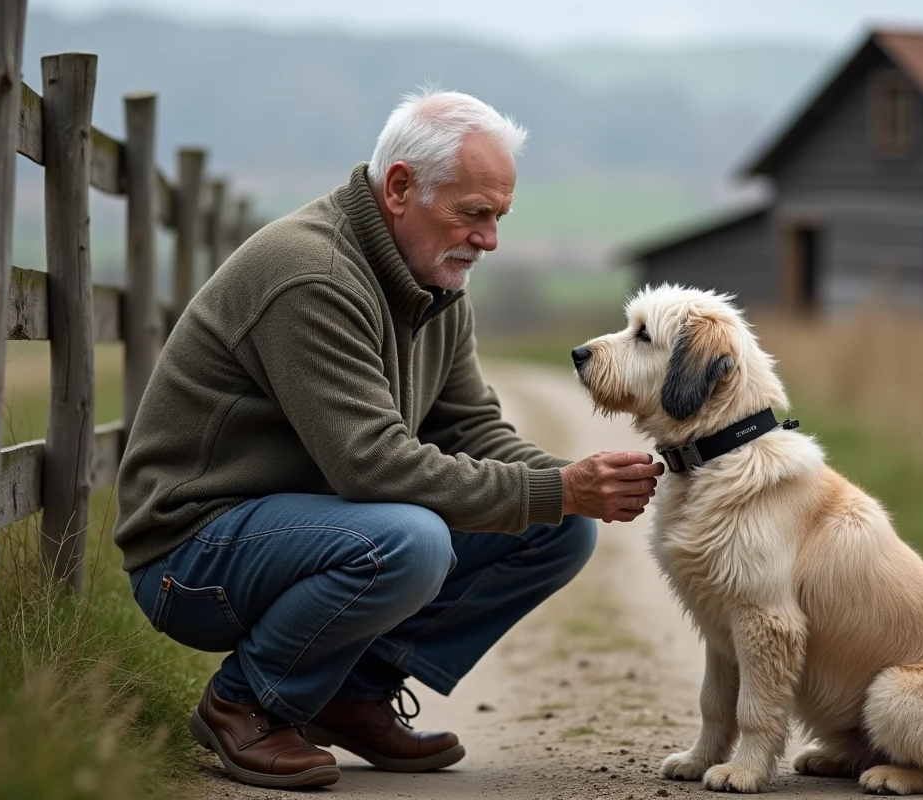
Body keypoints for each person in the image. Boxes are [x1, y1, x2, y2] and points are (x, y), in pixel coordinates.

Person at [113, 89, 664, 789]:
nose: (490, 239)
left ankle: (349, 695)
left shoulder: (432, 282)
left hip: (300, 531)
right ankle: (245, 703)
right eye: (474, 214)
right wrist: (559, 487)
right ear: (401, 187)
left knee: (556, 528)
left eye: (499, 217)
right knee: (410, 538)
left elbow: (470, 427)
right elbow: (370, 466)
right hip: (192, 554)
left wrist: (576, 483)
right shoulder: (310, 275)